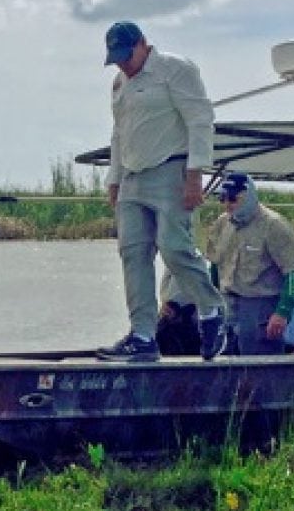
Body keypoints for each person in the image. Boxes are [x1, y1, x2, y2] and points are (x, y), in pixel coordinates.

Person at [95, 20, 227, 363]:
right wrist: (114, 177)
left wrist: (195, 174)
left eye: (126, 55)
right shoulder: (119, 83)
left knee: (174, 246)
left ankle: (211, 310)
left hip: (173, 168)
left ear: (142, 44)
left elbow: (200, 120)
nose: (123, 63)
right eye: (116, 58)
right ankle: (142, 335)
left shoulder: (175, 69)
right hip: (132, 176)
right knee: (132, 252)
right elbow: (119, 132)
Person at [204, 172, 294, 355]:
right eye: (223, 198)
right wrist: (213, 299)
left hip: (261, 306)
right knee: (224, 361)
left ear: (249, 196)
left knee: (259, 369)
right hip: (227, 303)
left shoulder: (274, 225)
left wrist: (283, 312)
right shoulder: (222, 223)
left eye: (233, 198)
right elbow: (214, 263)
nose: (227, 204)